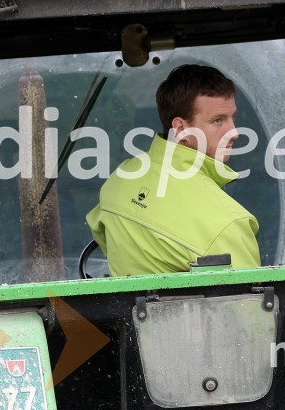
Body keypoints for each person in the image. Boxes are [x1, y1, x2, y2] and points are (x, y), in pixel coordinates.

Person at [86, 64, 261, 276]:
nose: (233, 132)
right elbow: (252, 304)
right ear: (181, 128)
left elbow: (105, 241)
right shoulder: (227, 223)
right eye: (218, 121)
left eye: (232, 118)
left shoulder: (118, 182)